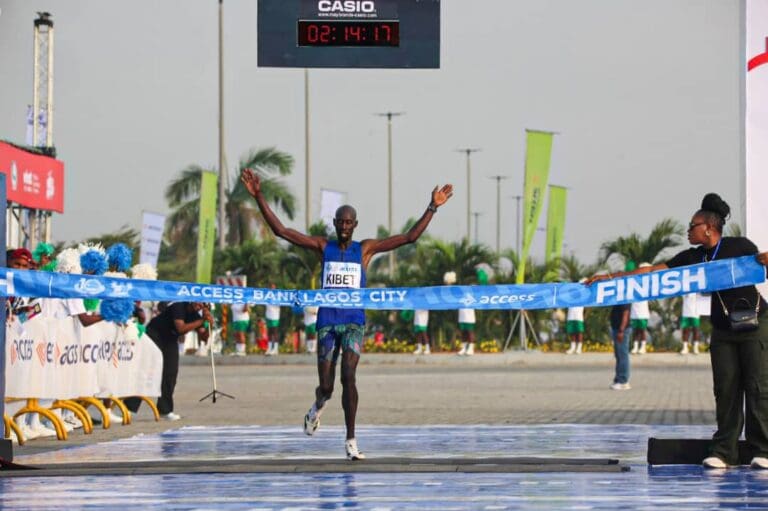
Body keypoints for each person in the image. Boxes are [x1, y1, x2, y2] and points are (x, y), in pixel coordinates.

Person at [241, 167, 453, 460]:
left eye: (349, 223)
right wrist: (259, 195)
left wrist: (432, 207)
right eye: (340, 222)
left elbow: (409, 237)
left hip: (353, 322)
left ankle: (351, 440)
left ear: (355, 225)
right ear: (334, 223)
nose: (344, 227)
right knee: (327, 387)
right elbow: (282, 231)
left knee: (349, 377)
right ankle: (317, 407)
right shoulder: (322, 246)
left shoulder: (365, 250)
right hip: (328, 323)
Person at [588, 193, 768, 469]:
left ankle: (763, 451)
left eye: (692, 226)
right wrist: (610, 278)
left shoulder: (739, 246)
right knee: (726, 389)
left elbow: (760, 264)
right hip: (722, 328)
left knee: (757, 388)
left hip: (755, 323)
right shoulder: (692, 258)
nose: (688, 230)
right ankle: (724, 452)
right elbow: (652, 272)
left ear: (709, 227)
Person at [124, 301, 213, 420]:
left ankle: (165, 410)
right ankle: (129, 407)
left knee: (170, 373)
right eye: (199, 302)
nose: (200, 305)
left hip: (170, 339)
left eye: (204, 305)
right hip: (154, 335)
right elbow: (180, 328)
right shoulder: (179, 307)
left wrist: (209, 325)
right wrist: (202, 321)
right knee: (147, 371)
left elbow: (204, 337)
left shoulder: (196, 316)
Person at [630, 263, 652, 355]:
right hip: (634, 310)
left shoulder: (649, 282)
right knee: (635, 330)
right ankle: (635, 347)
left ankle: (643, 347)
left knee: (642, 330)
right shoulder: (634, 280)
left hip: (643, 311)